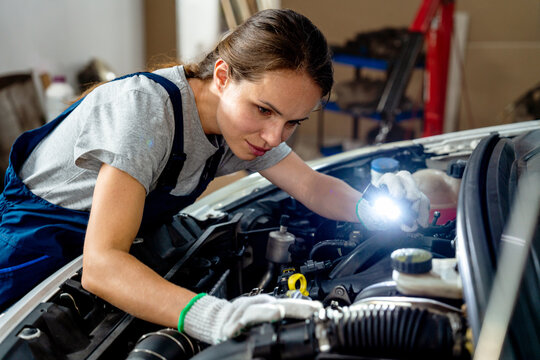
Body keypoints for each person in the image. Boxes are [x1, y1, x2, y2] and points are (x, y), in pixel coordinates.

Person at [0, 9, 429, 344]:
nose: (273, 137)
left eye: (293, 122)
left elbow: (312, 185)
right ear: (221, 77)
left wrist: (370, 208)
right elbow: (102, 265)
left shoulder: (237, 128)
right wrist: (216, 316)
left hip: (104, 241)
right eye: (265, 110)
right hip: (31, 250)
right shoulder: (145, 113)